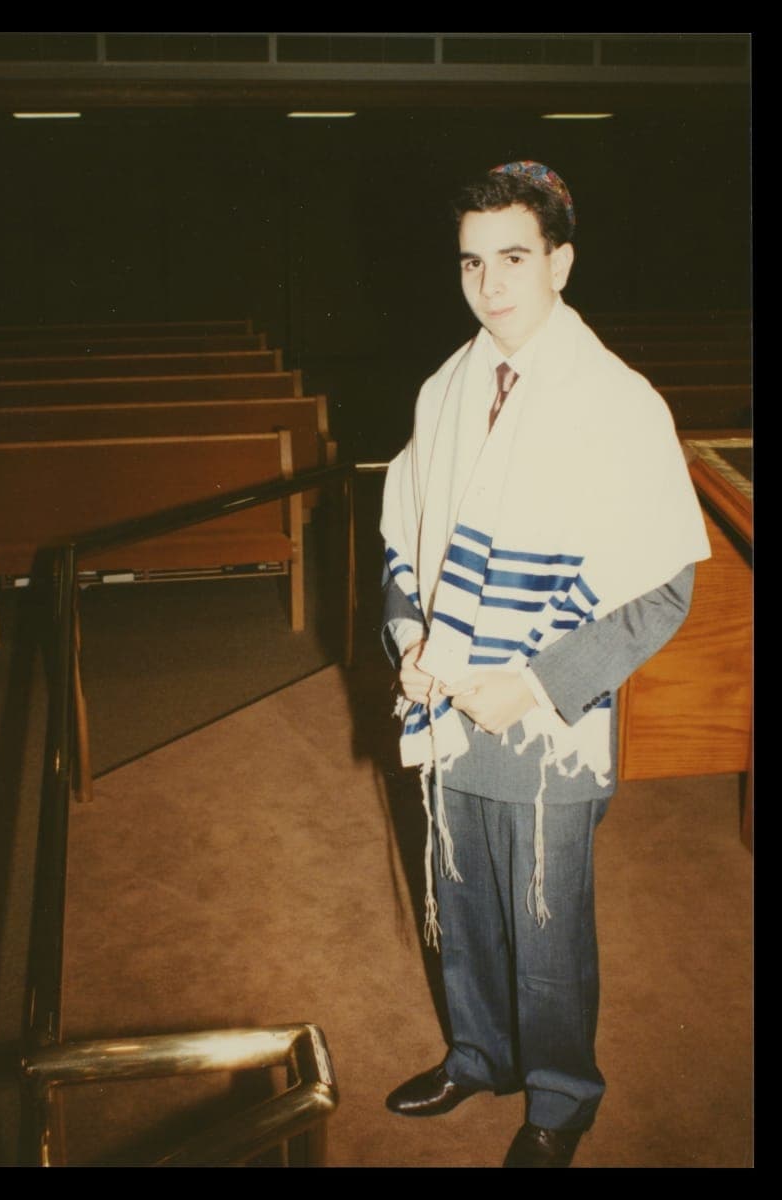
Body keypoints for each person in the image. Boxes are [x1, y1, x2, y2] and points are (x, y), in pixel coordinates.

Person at [379, 161, 711, 1168]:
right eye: (472, 262)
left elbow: (661, 585)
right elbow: (402, 533)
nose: (490, 284)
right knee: (461, 892)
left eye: (513, 258)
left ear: (559, 263)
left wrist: (524, 682)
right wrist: (408, 641)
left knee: (543, 917)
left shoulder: (616, 402)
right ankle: (476, 1053)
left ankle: (562, 1093)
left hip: (545, 713)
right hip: (447, 698)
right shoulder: (444, 389)